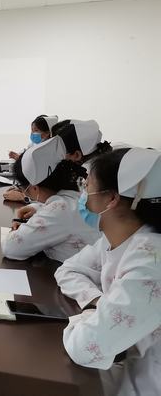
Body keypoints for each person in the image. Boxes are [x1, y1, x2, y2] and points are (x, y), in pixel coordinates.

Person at [54, 148, 161, 396]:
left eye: (87, 186)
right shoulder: (121, 238)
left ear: (112, 198)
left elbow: (84, 347)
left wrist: (92, 315)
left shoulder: (151, 262)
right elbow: (68, 270)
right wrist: (99, 302)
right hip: (127, 368)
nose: (83, 194)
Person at [1, 137, 99, 262]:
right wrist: (38, 211)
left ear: (34, 188)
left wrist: (18, 232)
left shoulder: (59, 211)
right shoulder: (77, 193)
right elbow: (63, 215)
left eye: (24, 189)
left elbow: (11, 248)